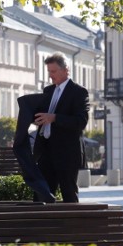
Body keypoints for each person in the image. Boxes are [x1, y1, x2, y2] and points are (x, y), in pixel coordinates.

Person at [31, 53, 90, 202]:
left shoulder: (79, 92)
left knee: (69, 195)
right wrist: (34, 117)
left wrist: (55, 118)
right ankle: (44, 225)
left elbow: (80, 121)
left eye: (54, 71)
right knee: (41, 196)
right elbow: (41, 115)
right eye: (49, 71)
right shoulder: (48, 91)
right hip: (46, 151)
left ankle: (72, 225)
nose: (50, 75)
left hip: (67, 154)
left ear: (66, 70)